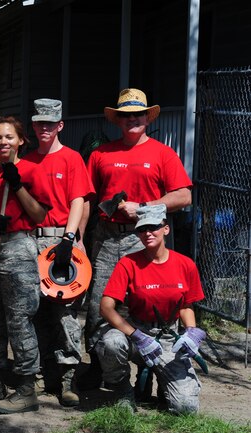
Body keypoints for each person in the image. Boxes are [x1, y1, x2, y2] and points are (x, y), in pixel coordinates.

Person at [80, 88, 193, 388]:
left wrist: (143, 208)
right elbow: (88, 199)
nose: (133, 120)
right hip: (104, 237)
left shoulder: (162, 153)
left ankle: (147, 366)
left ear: (146, 117)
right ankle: (97, 364)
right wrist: (77, 238)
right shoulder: (101, 154)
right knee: (98, 303)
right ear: (118, 120)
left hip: (143, 237)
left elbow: (183, 196)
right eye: (126, 115)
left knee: (140, 302)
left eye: (138, 114)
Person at [0, 116, 52, 414]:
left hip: (18, 246)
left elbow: (39, 214)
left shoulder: (31, 170)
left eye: (9, 137)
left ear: (20, 140)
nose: (3, 142)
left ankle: (26, 387)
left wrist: (17, 185)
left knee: (19, 317)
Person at [19, 99, 95, 407]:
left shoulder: (72, 158)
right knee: (34, 311)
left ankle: (67, 377)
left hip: (62, 239)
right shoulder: (27, 161)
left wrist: (71, 238)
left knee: (65, 313)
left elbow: (79, 200)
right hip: (32, 241)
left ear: (60, 125)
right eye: (40, 123)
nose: (45, 128)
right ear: (34, 126)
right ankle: (39, 374)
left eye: (50, 123)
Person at [95, 204, 204, 413]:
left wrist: (191, 332)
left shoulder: (185, 264)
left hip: (167, 338)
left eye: (154, 227)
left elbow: (186, 305)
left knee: (186, 408)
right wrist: (137, 335)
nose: (147, 233)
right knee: (111, 342)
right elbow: (106, 308)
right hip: (137, 332)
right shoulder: (128, 263)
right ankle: (122, 391)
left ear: (166, 229)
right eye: (142, 229)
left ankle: (163, 383)